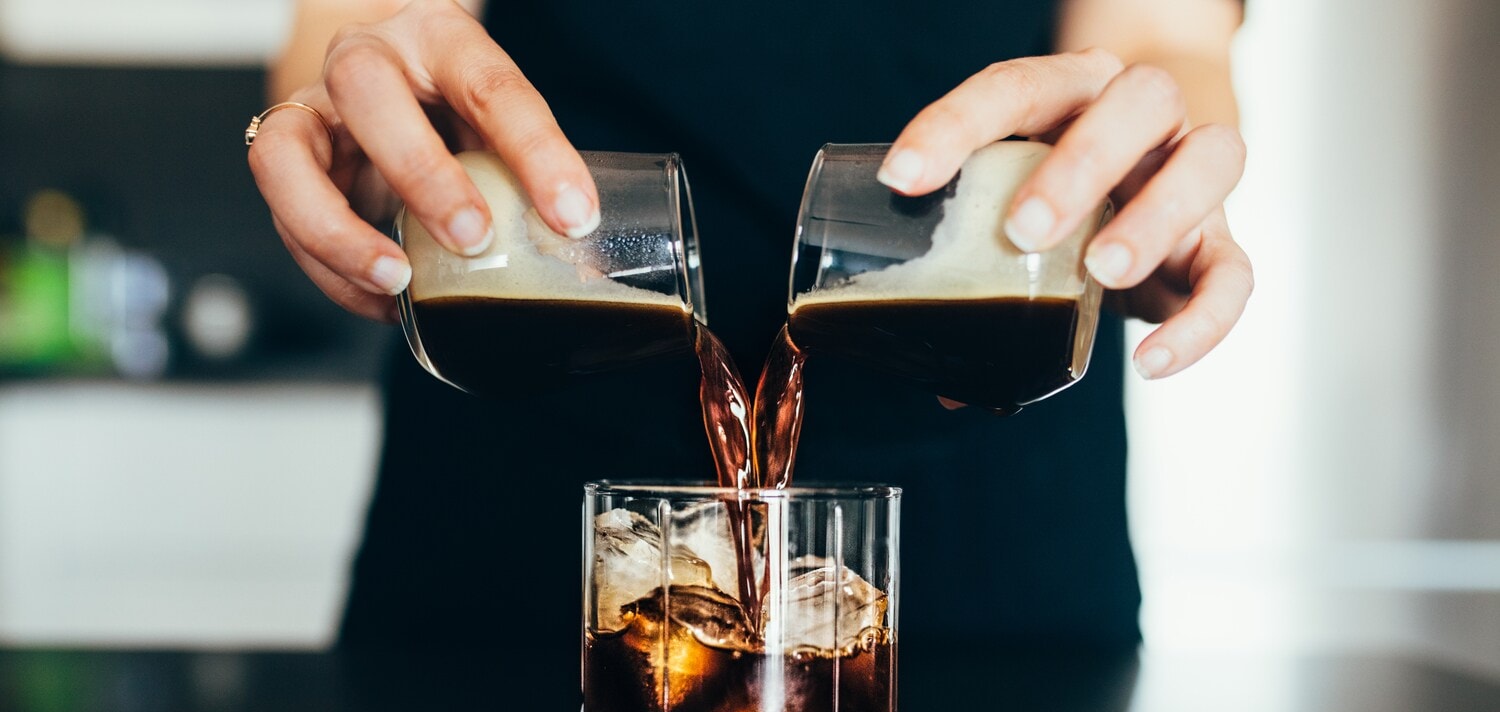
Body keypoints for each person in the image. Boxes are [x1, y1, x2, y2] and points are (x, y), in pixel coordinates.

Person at [249, 0, 1251, 651]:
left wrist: (1153, 174)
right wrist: (358, 131)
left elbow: (1163, 38)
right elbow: (361, 30)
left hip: (983, 530)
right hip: (513, 509)